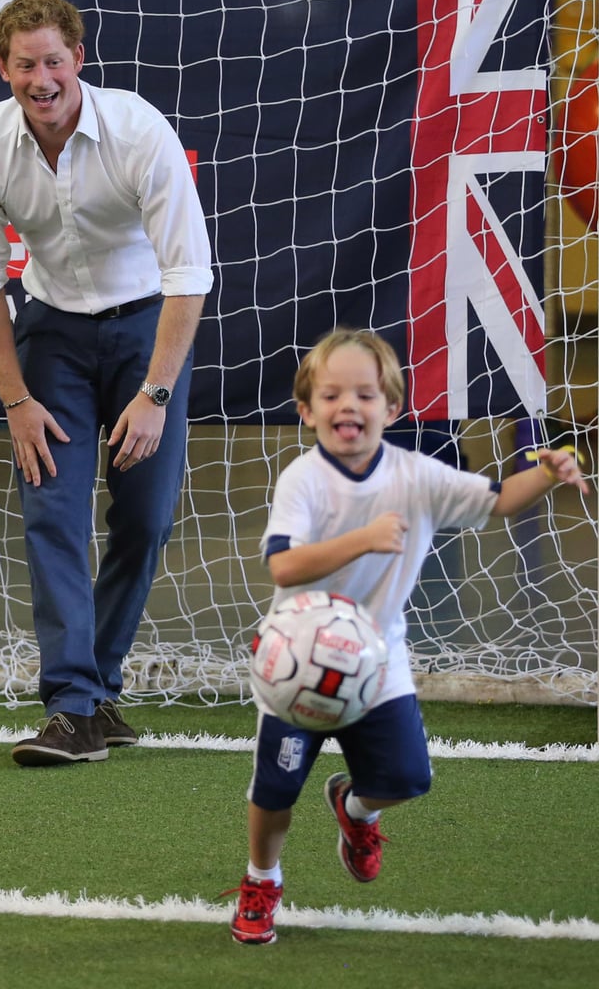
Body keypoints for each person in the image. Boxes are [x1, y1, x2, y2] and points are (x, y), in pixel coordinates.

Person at [227, 327, 588, 944]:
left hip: (378, 660)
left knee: (408, 779)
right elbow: (284, 566)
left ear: (392, 409)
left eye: (366, 395)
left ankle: (356, 808)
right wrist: (362, 539)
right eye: (333, 394)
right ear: (307, 411)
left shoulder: (418, 474)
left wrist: (550, 471)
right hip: (297, 661)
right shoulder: (303, 480)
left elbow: (500, 501)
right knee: (276, 789)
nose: (349, 406)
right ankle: (263, 879)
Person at [0, 0, 213, 767]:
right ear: (4, 69)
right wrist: (17, 402)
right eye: (25, 65)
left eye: (53, 61)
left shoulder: (138, 130)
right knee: (53, 512)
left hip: (146, 335)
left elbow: (188, 274)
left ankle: (98, 688)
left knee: (145, 518)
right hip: (52, 338)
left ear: (79, 61)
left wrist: (156, 393)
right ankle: (72, 705)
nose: (42, 79)